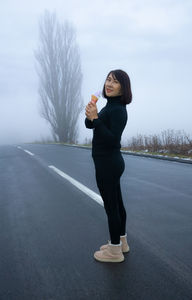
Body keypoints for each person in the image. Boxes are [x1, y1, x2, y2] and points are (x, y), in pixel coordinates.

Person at [85, 69, 132, 263]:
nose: (109, 84)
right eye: (108, 80)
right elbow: (91, 126)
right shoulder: (108, 106)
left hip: (109, 163)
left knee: (111, 207)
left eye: (115, 81)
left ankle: (114, 251)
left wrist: (96, 119)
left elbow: (113, 140)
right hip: (108, 162)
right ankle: (121, 242)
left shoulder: (118, 110)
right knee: (117, 204)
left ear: (124, 88)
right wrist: (91, 115)